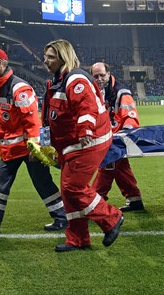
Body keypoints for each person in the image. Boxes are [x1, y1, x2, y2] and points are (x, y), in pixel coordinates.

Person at [0, 48, 67, 235]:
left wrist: (35, 147)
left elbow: (31, 120)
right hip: (10, 149)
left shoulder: (19, 88)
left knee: (42, 182)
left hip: (27, 148)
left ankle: (63, 218)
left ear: (1, 63)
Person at [42, 40, 124, 252]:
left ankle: (111, 218)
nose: (45, 61)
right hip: (74, 143)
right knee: (68, 191)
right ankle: (78, 239)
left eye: (50, 57)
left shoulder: (75, 78)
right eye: (46, 56)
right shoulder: (58, 82)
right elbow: (52, 119)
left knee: (72, 187)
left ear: (63, 57)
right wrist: (46, 145)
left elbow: (85, 106)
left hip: (89, 140)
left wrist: (85, 129)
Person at [90, 62, 145, 212]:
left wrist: (123, 138)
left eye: (102, 75)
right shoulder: (98, 90)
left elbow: (130, 117)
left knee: (107, 166)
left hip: (119, 138)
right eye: (96, 76)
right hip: (108, 136)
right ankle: (135, 199)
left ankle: (94, 201)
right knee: (121, 169)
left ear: (109, 73)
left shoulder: (121, 92)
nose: (99, 78)